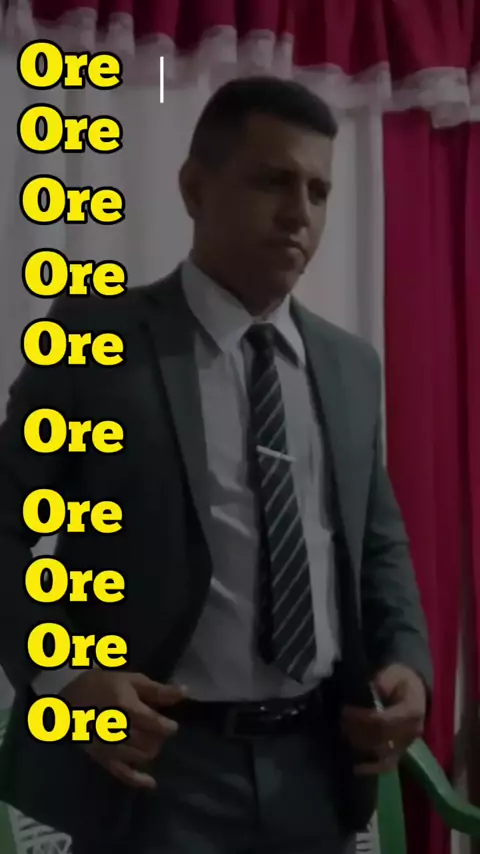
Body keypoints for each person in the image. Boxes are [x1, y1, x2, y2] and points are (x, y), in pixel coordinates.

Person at [0, 76, 432, 854]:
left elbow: (377, 543)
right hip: (158, 768)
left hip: (317, 766)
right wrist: (65, 678)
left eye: (319, 191)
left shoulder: (349, 366)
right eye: (273, 181)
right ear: (195, 189)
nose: (300, 213)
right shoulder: (96, 343)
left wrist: (408, 659)